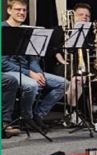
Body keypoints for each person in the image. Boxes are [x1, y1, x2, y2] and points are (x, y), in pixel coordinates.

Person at [1, 0, 67, 128]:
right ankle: (27, 117)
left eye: (24, 10)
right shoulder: (2, 29)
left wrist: (39, 73)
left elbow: (33, 59)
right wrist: (30, 74)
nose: (22, 13)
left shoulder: (28, 30)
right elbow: (3, 63)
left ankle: (39, 115)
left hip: (28, 71)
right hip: (9, 71)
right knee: (31, 85)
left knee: (63, 83)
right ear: (9, 10)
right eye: (18, 9)